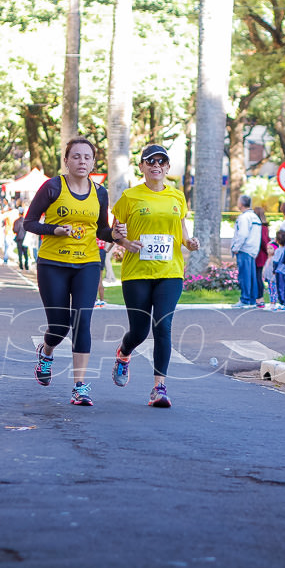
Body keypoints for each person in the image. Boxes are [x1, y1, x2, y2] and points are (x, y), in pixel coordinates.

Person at [22, 137, 119, 406]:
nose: (82, 161)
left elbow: (101, 229)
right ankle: (47, 350)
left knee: (82, 322)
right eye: (76, 156)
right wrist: (53, 230)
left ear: (93, 162)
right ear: (66, 160)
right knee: (59, 326)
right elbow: (29, 222)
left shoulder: (99, 192)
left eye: (87, 157)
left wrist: (115, 234)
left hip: (87, 263)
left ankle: (80, 386)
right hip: (53, 264)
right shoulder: (52, 187)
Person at [110, 144, 200, 408]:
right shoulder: (129, 197)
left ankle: (159, 387)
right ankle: (124, 353)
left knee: (163, 326)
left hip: (169, 272)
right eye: (151, 162)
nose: (156, 166)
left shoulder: (177, 197)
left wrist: (189, 242)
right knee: (139, 331)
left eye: (161, 162)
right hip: (136, 272)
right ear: (142, 167)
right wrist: (125, 243)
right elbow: (115, 232)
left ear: (168, 167)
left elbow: (182, 232)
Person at [230, 195, 261, 309]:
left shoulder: (244, 218)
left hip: (244, 249)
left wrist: (236, 247)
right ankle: (252, 299)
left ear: (241, 204)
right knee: (251, 276)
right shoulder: (255, 217)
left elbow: (242, 234)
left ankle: (245, 299)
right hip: (253, 250)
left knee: (244, 276)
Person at [272, 228, 285, 310]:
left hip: (279, 271)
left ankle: (282, 302)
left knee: (280, 287)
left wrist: (274, 270)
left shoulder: (277, 251)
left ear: (277, 240)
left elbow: (275, 262)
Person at [253, 206, 270, 308]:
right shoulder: (264, 227)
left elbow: (264, 241)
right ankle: (259, 297)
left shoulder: (261, 228)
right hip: (261, 254)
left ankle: (259, 297)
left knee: (258, 276)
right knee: (258, 276)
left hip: (259, 254)